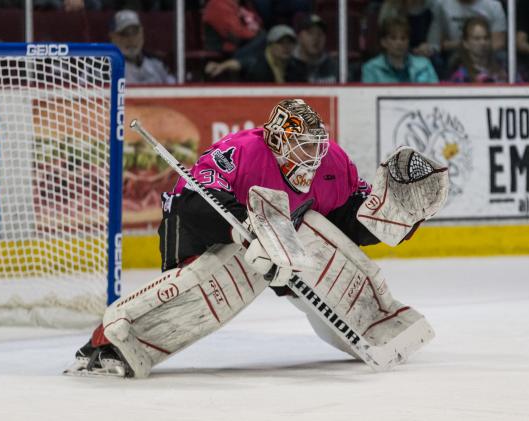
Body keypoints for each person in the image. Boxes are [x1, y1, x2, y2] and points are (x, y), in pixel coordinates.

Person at [64, 99, 449, 378]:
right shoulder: (241, 151)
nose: (312, 157)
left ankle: (372, 322)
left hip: (280, 239)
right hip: (204, 232)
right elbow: (192, 201)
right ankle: (111, 343)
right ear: (276, 140)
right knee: (208, 279)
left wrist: (388, 215)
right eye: (302, 148)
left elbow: (346, 222)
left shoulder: (333, 162)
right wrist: (244, 231)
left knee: (314, 230)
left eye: (316, 145)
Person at [204, 24, 306, 82]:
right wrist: (221, 66)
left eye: (290, 43)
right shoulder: (255, 62)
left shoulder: (297, 67)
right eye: (281, 43)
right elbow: (238, 64)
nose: (286, 47)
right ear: (270, 45)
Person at [362, 17, 439, 83]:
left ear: (408, 41)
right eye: (393, 38)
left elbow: (437, 95)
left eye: (403, 38)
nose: (399, 43)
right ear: (383, 42)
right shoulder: (371, 68)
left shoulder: (424, 65)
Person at [109, 10, 176, 85]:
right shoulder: (106, 70)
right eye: (124, 34)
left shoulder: (158, 64)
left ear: (142, 33)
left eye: (135, 32)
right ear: (113, 37)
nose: (131, 39)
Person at [424, 0, 507, 57]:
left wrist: (472, 47)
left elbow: (498, 43)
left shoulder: (494, 6)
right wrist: (466, 45)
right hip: (453, 56)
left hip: (488, 55)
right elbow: (435, 43)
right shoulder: (441, 5)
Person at [448, 16, 509, 82]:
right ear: (466, 43)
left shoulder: (504, 67)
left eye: (486, 38)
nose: (483, 43)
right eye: (477, 39)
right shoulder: (460, 75)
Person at [290, 13, 338, 83]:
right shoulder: (288, 66)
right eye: (310, 33)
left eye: (320, 34)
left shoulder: (334, 67)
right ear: (299, 37)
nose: (316, 38)